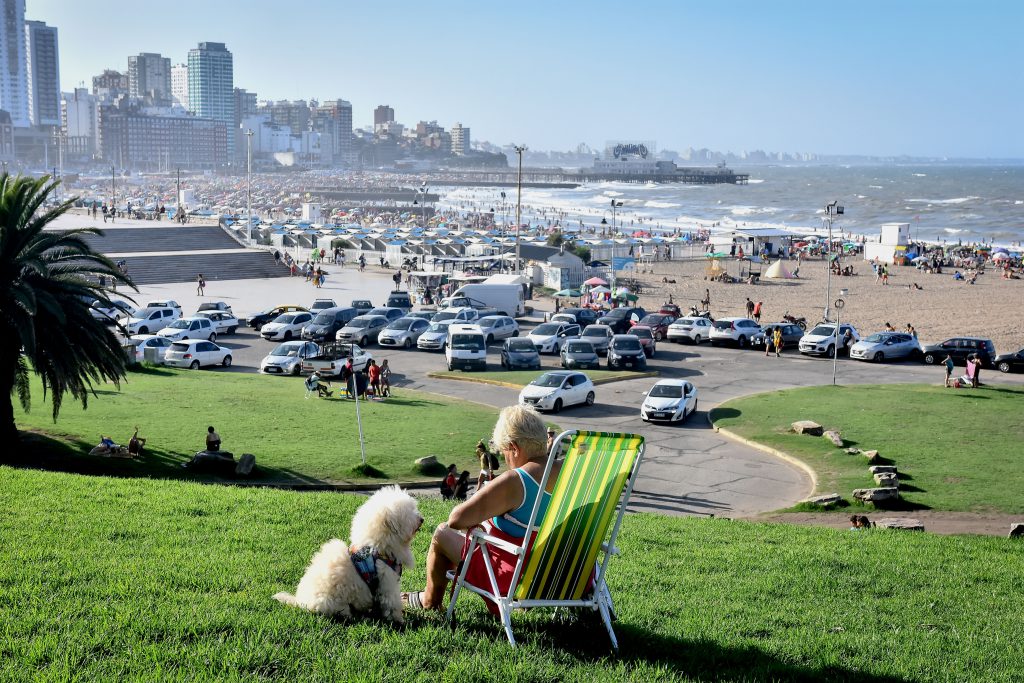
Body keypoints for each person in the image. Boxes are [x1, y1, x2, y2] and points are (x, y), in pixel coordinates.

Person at [403, 405, 559, 612]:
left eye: (503, 451)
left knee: (442, 533)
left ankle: (429, 601)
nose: (504, 458)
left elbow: (456, 519)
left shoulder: (517, 481)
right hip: (562, 573)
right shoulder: (573, 471)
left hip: (516, 578)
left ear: (514, 447)